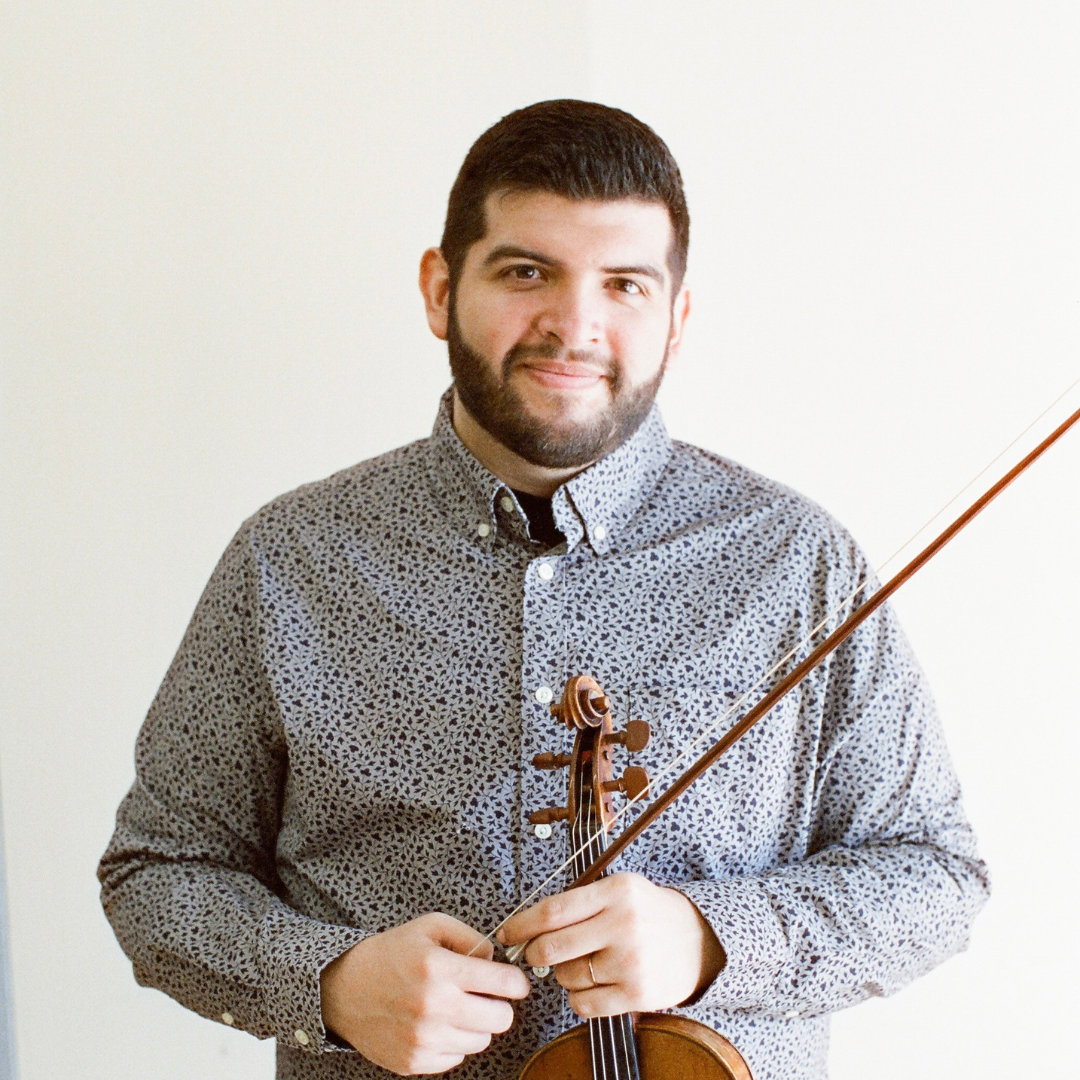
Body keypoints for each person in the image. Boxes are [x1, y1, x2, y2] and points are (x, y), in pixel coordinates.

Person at [98, 100, 989, 1080]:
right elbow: (160, 872)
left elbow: (935, 875)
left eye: (624, 285)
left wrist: (712, 938)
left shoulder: (796, 561)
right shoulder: (292, 558)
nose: (575, 326)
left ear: (677, 319)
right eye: (527, 272)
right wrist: (331, 983)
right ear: (441, 290)